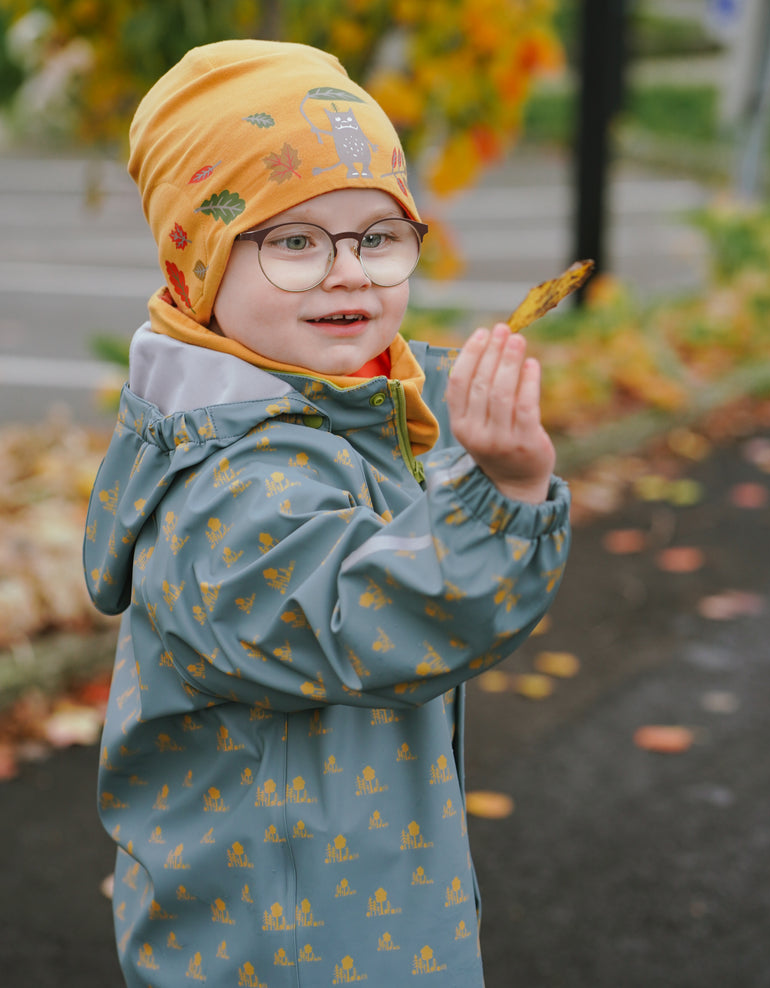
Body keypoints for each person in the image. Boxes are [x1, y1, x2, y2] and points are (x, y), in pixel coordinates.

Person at [83, 39, 570, 988]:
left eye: (378, 237)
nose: (349, 272)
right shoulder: (234, 480)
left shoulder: (338, 409)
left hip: (348, 921)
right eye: (295, 242)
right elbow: (365, 619)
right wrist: (502, 499)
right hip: (291, 951)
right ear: (199, 270)